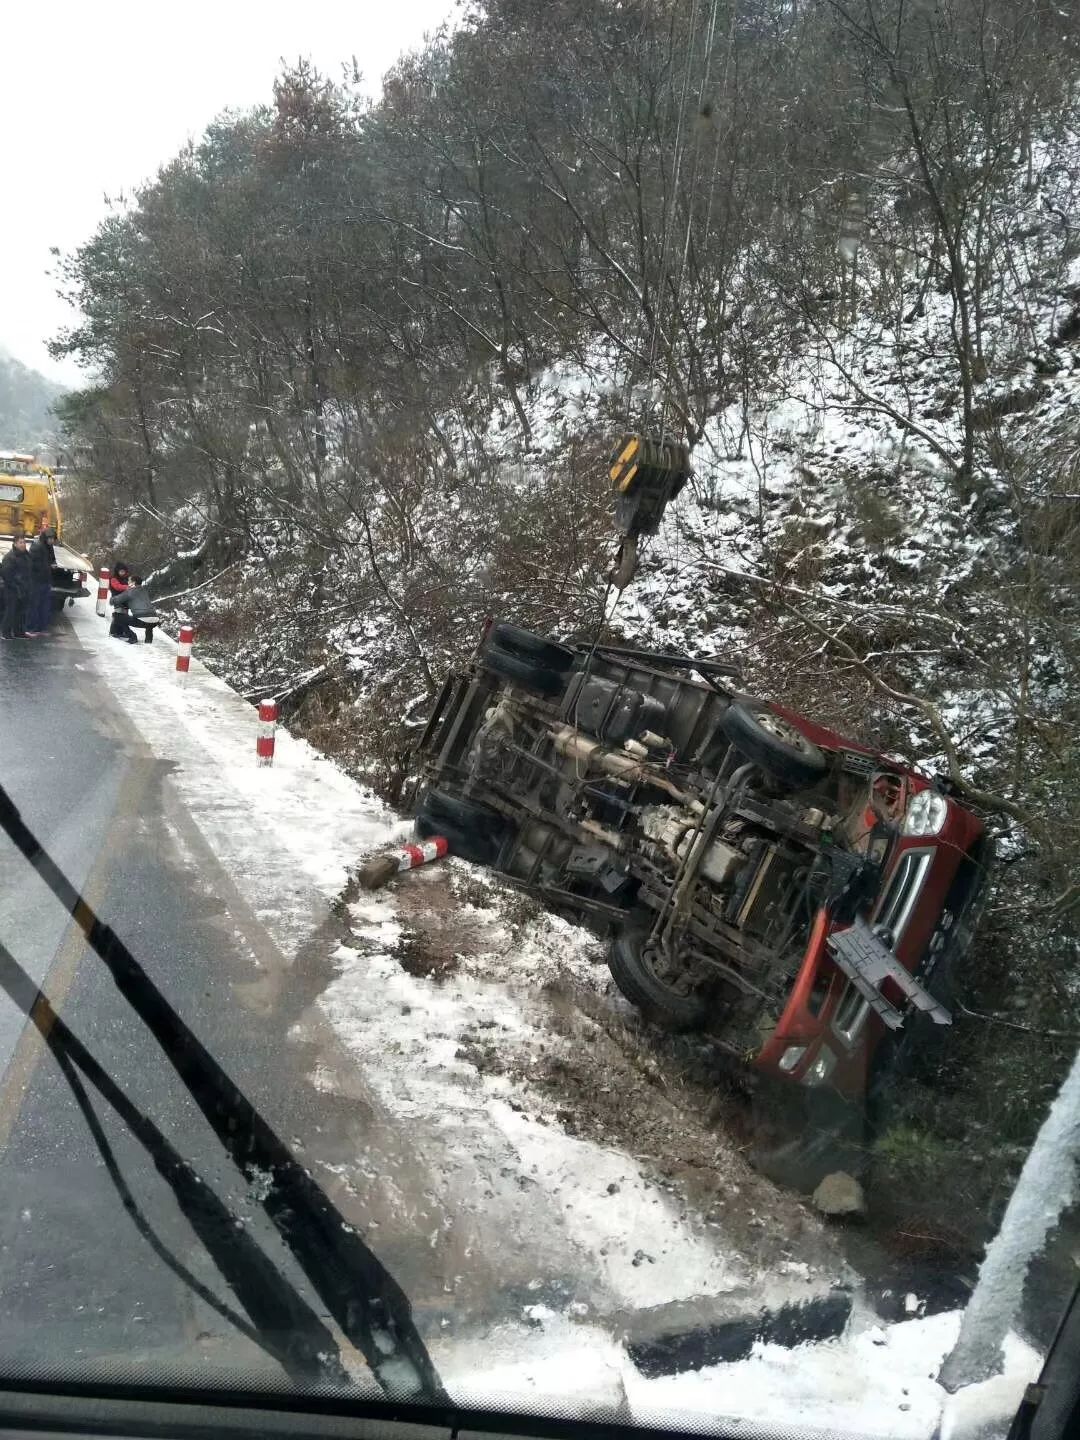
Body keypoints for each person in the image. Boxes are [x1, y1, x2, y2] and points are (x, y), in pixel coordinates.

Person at [25, 526, 55, 637]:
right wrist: (47, 567)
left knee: (45, 606)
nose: (52, 540)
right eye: (50, 538)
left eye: (53, 538)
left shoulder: (49, 547)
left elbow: (52, 559)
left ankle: (41, 628)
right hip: (36, 581)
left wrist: (53, 565)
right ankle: (30, 628)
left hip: (46, 580)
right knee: (34, 605)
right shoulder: (37, 546)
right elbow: (33, 564)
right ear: (45, 538)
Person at [1, 535, 32, 639]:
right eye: (20, 542)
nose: (23, 544)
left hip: (24, 588)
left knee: (21, 612)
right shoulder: (10, 557)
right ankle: (6, 633)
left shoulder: (26, 555)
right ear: (15, 544)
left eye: (24, 542)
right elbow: (6, 574)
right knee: (11, 611)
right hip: (12, 589)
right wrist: (16, 586)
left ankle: (18, 632)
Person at [108, 561, 137, 642]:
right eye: (121, 571)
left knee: (123, 615)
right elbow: (117, 587)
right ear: (117, 571)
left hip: (125, 601)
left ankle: (118, 631)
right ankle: (114, 631)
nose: (122, 573)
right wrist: (127, 587)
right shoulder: (114, 579)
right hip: (117, 600)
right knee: (119, 616)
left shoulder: (126, 579)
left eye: (123, 571)